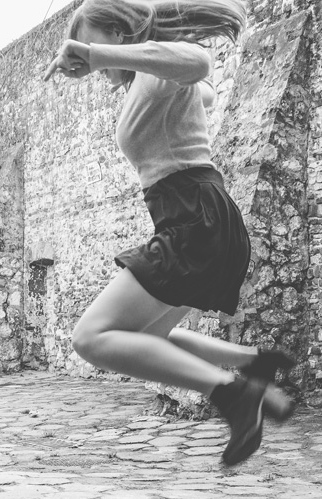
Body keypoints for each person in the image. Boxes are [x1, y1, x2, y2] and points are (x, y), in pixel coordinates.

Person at [43, 0, 295, 466]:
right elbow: (204, 93)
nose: (90, 61)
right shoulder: (151, 78)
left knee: (90, 338)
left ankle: (234, 393)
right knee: (147, 338)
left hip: (194, 217)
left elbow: (197, 63)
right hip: (199, 218)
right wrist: (106, 57)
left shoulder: (152, 72)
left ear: (119, 36)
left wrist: (98, 57)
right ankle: (254, 363)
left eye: (90, 44)